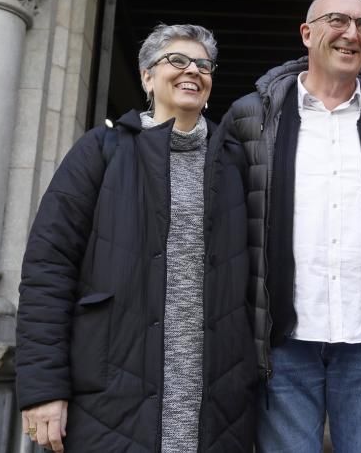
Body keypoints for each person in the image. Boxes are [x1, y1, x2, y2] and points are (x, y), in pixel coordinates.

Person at [16, 24, 255, 452]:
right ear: (147, 77)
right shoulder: (101, 151)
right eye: (177, 61)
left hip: (216, 400)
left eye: (203, 65)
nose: (192, 71)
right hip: (114, 393)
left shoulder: (234, 161)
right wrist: (42, 388)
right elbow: (48, 269)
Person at [223, 0, 361, 452]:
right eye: (337, 20)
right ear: (307, 33)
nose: (352, 33)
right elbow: (221, 228)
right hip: (283, 344)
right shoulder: (251, 117)